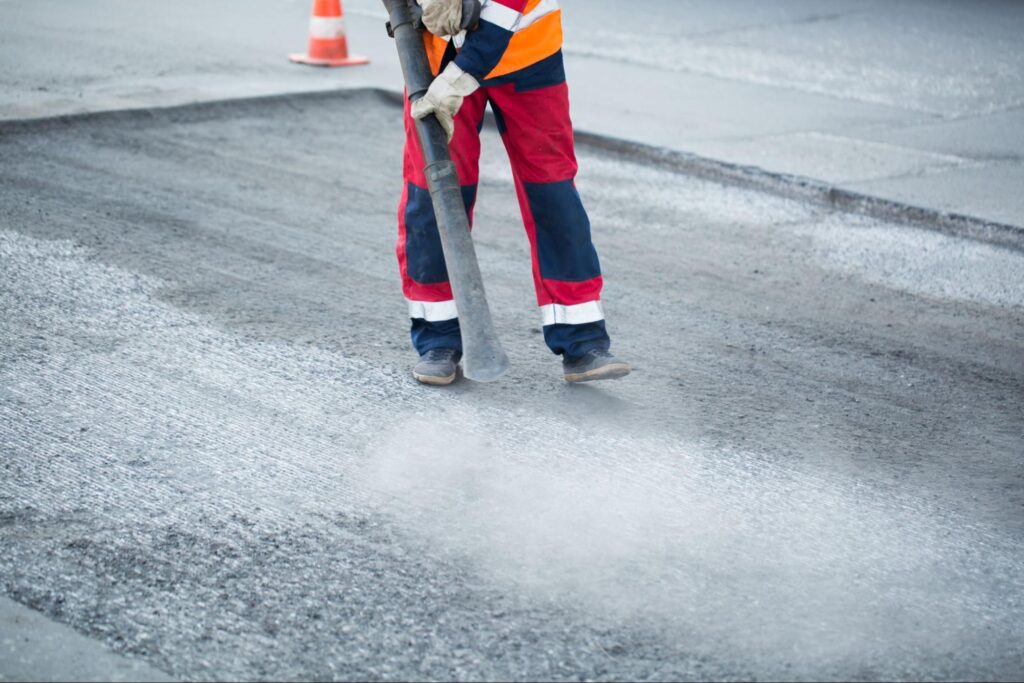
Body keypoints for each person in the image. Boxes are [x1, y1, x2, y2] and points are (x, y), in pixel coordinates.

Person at [398, 0, 630, 385]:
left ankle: (582, 338)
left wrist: (460, 77)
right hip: (436, 55)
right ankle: (437, 338)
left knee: (552, 192)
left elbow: (504, 13)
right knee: (431, 194)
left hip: (526, 53)